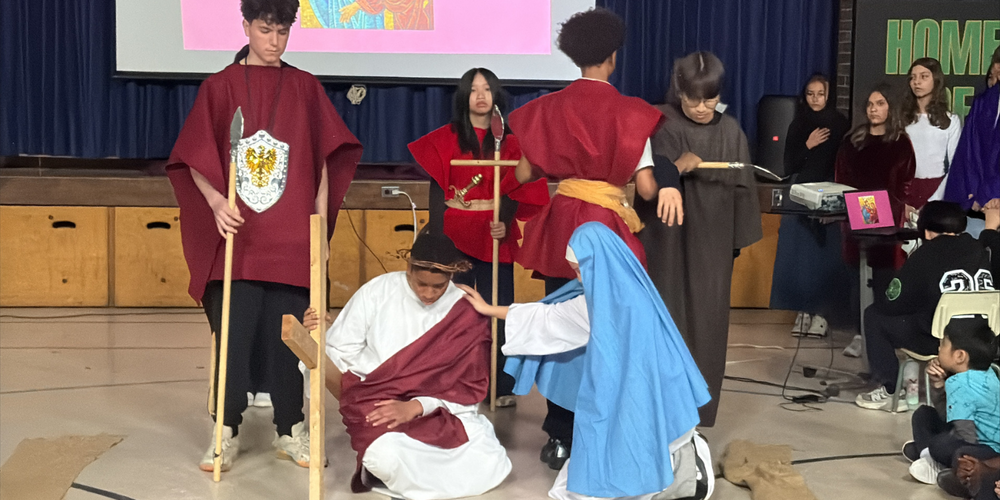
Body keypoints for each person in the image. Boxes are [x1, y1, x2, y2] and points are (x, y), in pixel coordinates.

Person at [166, 0, 363, 472]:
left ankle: (290, 430)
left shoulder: (305, 87)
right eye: (264, 30)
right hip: (240, 240)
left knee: (288, 339)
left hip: (291, 238)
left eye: (282, 32)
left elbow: (319, 165)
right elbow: (193, 156)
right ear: (246, 27)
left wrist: (320, 228)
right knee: (234, 334)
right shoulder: (220, 87)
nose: (273, 42)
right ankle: (225, 431)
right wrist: (216, 203)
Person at [506, 7, 682, 468]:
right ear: (612, 56)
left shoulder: (544, 109)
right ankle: (599, 432)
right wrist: (674, 172)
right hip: (606, 231)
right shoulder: (630, 113)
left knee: (560, 329)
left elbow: (524, 172)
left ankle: (558, 437)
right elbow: (645, 188)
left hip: (559, 225)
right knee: (605, 333)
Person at [461, 222, 714, 500]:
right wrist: (487, 309)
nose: (579, 279)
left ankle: (684, 465)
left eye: (581, 270)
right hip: (624, 394)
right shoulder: (608, 293)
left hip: (648, 397)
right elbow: (549, 318)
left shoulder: (622, 299)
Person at [301, 231, 511, 500]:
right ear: (409, 269)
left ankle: (414, 478)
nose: (428, 293)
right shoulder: (378, 291)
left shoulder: (466, 310)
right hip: (377, 397)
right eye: (421, 283)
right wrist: (318, 335)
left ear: (452, 277)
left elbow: (467, 391)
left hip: (439, 408)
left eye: (438, 286)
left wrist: (417, 406)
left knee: (488, 456)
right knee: (385, 458)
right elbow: (340, 351)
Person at [408, 67, 550, 408]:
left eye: (487, 89)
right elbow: (438, 191)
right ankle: (449, 381)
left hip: (494, 235)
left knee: (495, 309)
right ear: (464, 96)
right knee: (451, 311)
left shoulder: (512, 143)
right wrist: (439, 241)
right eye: (474, 90)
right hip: (455, 232)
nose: (481, 96)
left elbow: (518, 187)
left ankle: (497, 386)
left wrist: (504, 220)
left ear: (496, 95)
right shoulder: (445, 139)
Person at [636, 50, 762, 427]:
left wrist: (733, 247)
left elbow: (743, 190)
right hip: (667, 244)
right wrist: (675, 168)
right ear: (680, 91)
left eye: (710, 98)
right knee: (666, 319)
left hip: (713, 242)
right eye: (694, 98)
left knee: (708, 325)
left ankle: (696, 418)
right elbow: (646, 186)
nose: (703, 107)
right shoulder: (661, 123)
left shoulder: (730, 130)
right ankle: (659, 414)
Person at [855, 202, 994, 411]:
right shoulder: (981, 249)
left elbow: (893, 303)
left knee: (874, 314)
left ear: (928, 233)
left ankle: (891, 389)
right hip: (983, 339)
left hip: (940, 343)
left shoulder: (926, 253)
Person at [770, 74, 852, 337]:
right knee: (799, 259)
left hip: (827, 195)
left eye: (820, 93)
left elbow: (843, 162)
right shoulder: (798, 124)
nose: (815, 99)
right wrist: (808, 145)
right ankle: (802, 313)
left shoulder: (839, 123)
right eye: (810, 93)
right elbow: (789, 165)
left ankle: (821, 316)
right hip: (801, 194)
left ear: (828, 95)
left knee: (823, 258)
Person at [903, 316, 999, 487]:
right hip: (979, 439)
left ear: (960, 356)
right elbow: (949, 416)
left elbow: (966, 435)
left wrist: (940, 448)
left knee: (942, 445)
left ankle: (931, 459)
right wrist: (938, 385)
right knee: (924, 415)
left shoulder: (959, 383)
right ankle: (927, 455)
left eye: (943, 345)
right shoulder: (989, 371)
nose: (938, 349)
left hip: (987, 448)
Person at [944, 46, 1000, 238]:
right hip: (980, 205)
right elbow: (969, 150)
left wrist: (996, 193)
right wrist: (974, 193)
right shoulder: (984, 103)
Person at [902, 58, 962, 209]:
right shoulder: (901, 118)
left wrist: (934, 200)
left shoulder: (951, 121)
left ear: (936, 79)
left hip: (936, 189)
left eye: (924, 76)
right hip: (905, 190)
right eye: (913, 78)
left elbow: (956, 164)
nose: (917, 82)